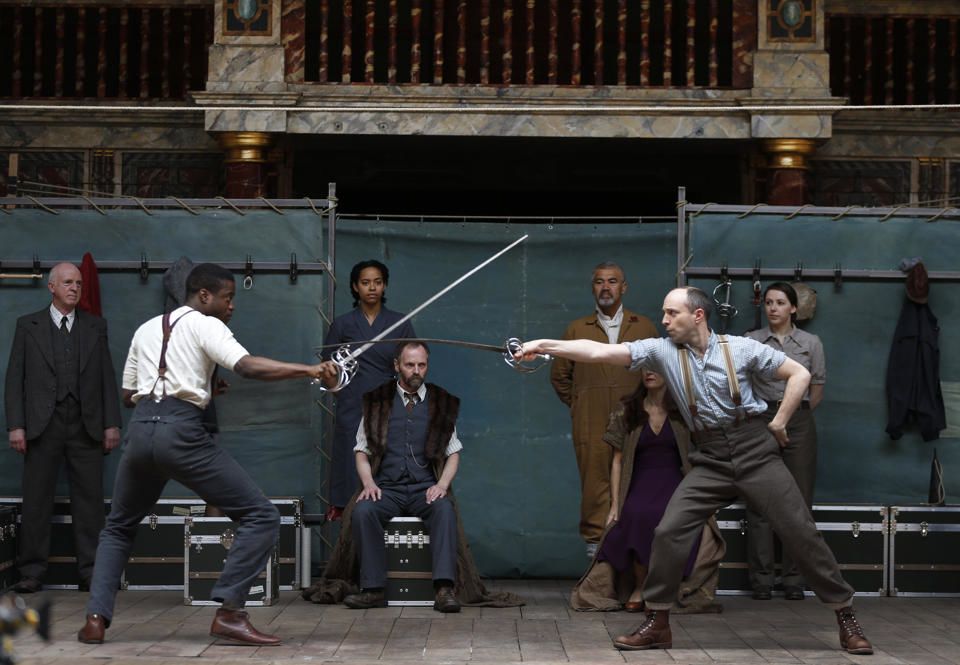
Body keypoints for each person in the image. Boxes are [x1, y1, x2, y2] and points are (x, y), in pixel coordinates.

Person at [518, 286, 873, 655]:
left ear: (698, 316)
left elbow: (799, 373)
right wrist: (543, 345)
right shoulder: (661, 351)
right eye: (664, 313)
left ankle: (845, 615)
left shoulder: (742, 348)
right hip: (711, 457)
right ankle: (658, 621)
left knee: (800, 531)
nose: (665, 320)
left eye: (672, 313)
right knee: (669, 530)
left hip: (755, 451)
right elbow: (598, 351)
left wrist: (780, 421)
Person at [76, 263, 336, 647]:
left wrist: (201, 387)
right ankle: (230, 613)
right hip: (181, 434)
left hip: (142, 432)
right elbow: (248, 366)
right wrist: (310, 370)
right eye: (227, 297)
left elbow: (130, 395)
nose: (232, 306)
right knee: (261, 516)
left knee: (118, 527)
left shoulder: (146, 329)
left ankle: (95, 620)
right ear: (203, 296)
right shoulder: (206, 324)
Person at [5, 262, 121, 594]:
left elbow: (106, 377)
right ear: (52, 287)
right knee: (36, 500)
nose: (75, 288)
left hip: (87, 423)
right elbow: (15, 379)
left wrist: (112, 423)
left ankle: (92, 572)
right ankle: (31, 572)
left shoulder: (96, 326)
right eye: (68, 282)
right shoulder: (27, 325)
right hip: (42, 425)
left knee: (90, 502)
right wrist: (16, 425)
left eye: (79, 283)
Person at [570, 369, 724, 614]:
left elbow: (706, 450)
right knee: (637, 514)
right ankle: (640, 587)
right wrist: (615, 505)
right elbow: (617, 460)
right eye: (644, 367)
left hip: (677, 482)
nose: (649, 372)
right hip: (639, 480)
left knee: (667, 517)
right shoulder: (628, 410)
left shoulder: (684, 410)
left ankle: (664, 588)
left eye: (656, 367)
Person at [550, 262, 657, 557]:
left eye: (612, 281)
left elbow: (657, 371)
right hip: (590, 420)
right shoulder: (577, 329)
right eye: (599, 282)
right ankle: (597, 557)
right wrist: (581, 403)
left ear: (624, 287)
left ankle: (634, 556)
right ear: (592, 288)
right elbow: (560, 376)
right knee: (595, 484)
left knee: (636, 479)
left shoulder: (644, 327)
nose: (606, 287)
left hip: (635, 419)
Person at [744, 282, 826, 601]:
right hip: (761, 419)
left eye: (780, 302)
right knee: (759, 500)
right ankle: (762, 579)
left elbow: (816, 388)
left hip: (799, 421)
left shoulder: (811, 342)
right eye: (768, 302)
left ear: (793, 308)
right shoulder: (751, 341)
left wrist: (792, 413)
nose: (773, 308)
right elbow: (742, 383)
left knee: (799, 502)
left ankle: (794, 579)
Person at [322, 260, 416, 518]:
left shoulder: (399, 323)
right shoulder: (342, 325)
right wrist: (338, 388)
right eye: (365, 282)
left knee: (390, 463)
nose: (372, 288)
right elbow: (327, 370)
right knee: (351, 465)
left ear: (384, 285)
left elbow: (414, 364)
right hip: (352, 405)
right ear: (355, 286)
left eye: (377, 282)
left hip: (391, 404)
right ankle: (349, 525)